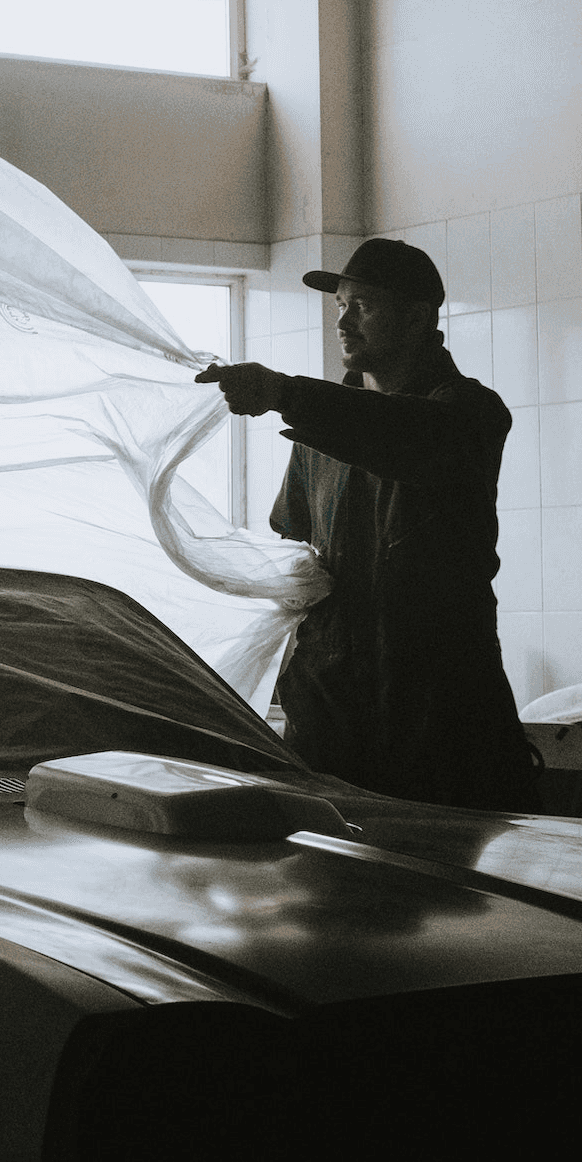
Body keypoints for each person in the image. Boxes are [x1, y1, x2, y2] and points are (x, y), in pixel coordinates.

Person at [196, 236, 534, 812]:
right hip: (333, 718)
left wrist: (282, 392)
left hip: (440, 720)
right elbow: (297, 548)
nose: (344, 323)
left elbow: (405, 434)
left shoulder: (468, 415)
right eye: (339, 307)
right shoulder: (320, 432)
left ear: (418, 318)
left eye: (364, 306)